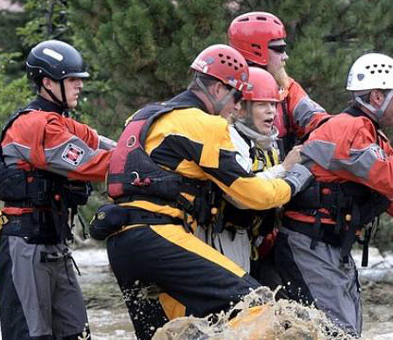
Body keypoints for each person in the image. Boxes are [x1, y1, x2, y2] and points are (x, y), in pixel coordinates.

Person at [101, 44, 312, 340]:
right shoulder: (205, 124)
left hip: (121, 244)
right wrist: (292, 181)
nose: (237, 107)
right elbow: (251, 193)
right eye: (236, 96)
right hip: (158, 237)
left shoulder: (142, 116)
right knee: (257, 304)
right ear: (216, 89)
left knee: (172, 334)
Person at [274, 52, 393, 337]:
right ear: (377, 97)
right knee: (336, 333)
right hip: (308, 247)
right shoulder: (348, 130)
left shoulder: (372, 136)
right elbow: (389, 179)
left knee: (345, 331)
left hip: (332, 249)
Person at [0, 40, 115, 340]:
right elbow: (92, 164)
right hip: (24, 244)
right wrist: (138, 162)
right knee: (33, 335)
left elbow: (105, 144)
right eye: (72, 80)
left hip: (54, 245)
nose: (79, 86)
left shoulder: (63, 123)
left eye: (79, 80)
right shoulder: (36, 125)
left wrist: (148, 145)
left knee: (76, 333)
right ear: (47, 82)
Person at [195, 66, 302, 274]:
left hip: (248, 238)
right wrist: (284, 169)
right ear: (241, 108)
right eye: (262, 105)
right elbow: (240, 195)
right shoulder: (231, 137)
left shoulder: (267, 143)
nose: (271, 111)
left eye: (273, 104)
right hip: (222, 234)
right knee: (231, 301)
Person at [228, 11, 331, 152]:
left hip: (282, 170)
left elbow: (318, 121)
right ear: (256, 50)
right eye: (279, 49)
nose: (285, 56)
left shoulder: (287, 87)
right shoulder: (223, 91)